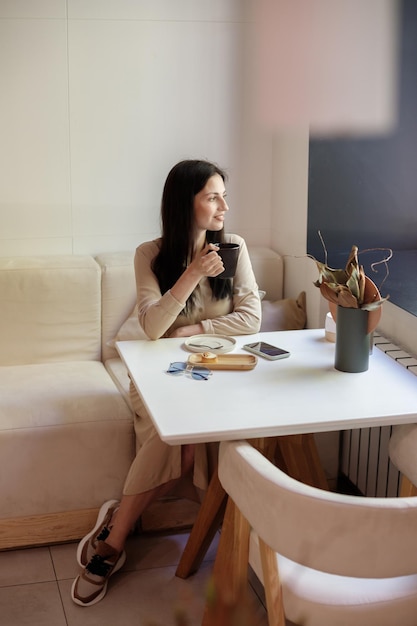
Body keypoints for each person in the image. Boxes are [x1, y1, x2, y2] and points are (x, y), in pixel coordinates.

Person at [71, 159, 261, 606]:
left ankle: (118, 519)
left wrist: (195, 332)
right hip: (159, 373)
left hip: (217, 370)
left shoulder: (233, 247)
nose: (224, 207)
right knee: (174, 437)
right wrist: (193, 273)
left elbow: (251, 319)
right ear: (185, 203)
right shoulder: (150, 255)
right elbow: (154, 328)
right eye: (213, 197)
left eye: (223, 196)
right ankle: (114, 542)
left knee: (192, 445)